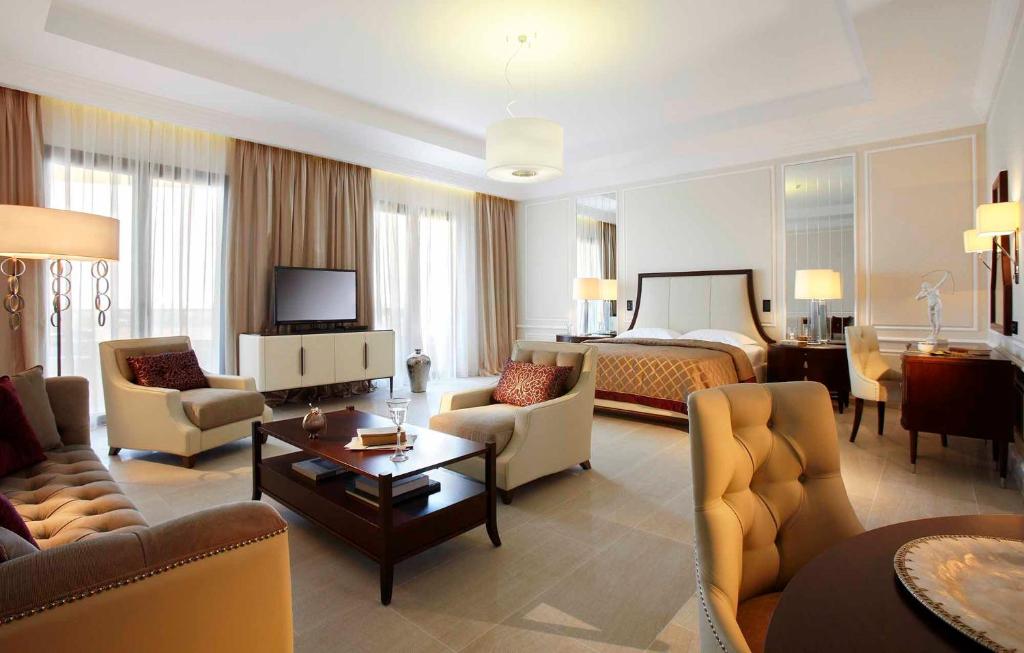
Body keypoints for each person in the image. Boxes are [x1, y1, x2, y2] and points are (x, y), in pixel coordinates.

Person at [915, 271, 951, 343]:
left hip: (937, 304)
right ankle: (933, 331)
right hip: (930, 306)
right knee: (931, 320)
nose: (923, 288)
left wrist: (946, 275)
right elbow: (917, 298)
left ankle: (936, 334)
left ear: (927, 286)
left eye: (924, 287)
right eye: (922, 288)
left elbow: (941, 282)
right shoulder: (925, 292)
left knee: (937, 320)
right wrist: (924, 293)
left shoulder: (934, 289)